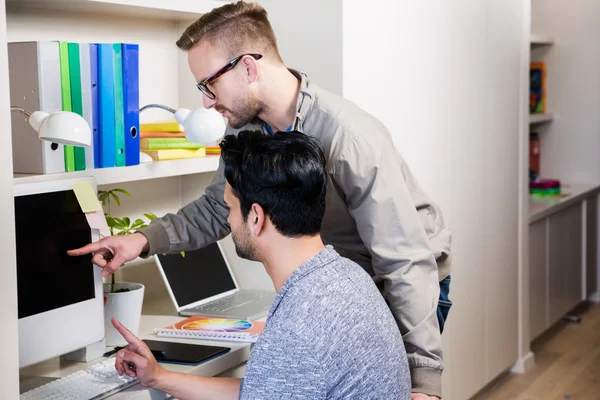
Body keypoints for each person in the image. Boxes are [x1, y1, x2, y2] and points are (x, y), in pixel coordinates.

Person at [69, 2, 451, 398]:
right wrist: (141, 241)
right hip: (337, 286)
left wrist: (424, 384)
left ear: (249, 67)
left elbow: (405, 259)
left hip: (405, 281)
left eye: (208, 84)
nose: (206, 101)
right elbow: (219, 205)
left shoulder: (350, 138)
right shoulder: (248, 132)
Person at [109, 130, 412, 399]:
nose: (227, 220)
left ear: (256, 217)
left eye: (229, 208)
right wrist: (161, 378)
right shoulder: (347, 277)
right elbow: (265, 390)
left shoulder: (298, 327)